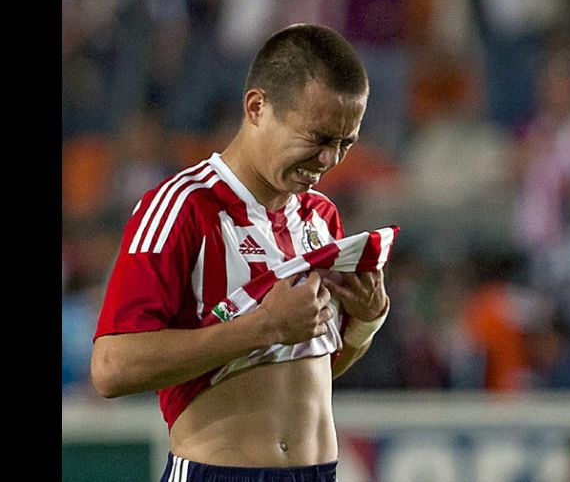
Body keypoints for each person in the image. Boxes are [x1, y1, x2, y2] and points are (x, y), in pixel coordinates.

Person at [90, 24, 391, 482]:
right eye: (318, 138)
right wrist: (262, 326)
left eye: (344, 144)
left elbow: (304, 377)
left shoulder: (321, 218)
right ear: (256, 108)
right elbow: (111, 367)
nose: (329, 161)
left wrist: (365, 323)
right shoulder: (181, 207)